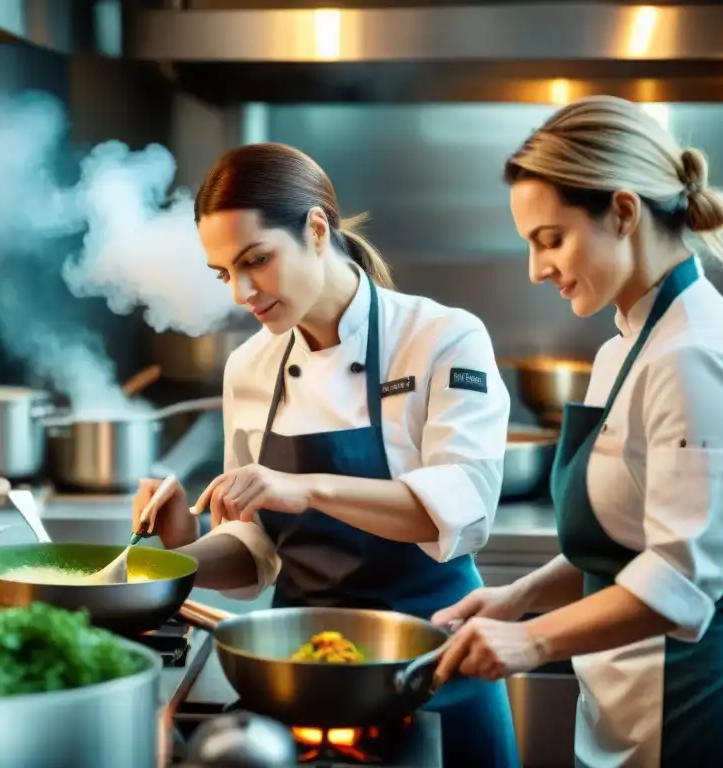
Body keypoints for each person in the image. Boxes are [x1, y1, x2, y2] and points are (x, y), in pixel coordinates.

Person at [133, 142, 520, 767]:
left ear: (317, 229)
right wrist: (178, 555)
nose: (242, 291)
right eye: (224, 272)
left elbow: (459, 510)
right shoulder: (250, 366)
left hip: (432, 663)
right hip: (299, 673)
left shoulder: (441, 338)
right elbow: (255, 552)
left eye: (256, 260)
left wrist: (305, 487)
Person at [431, 95, 723, 767]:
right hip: (621, 705)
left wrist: (532, 642)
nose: (536, 269)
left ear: (623, 212)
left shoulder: (695, 355)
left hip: (685, 712)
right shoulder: (622, 346)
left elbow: (682, 579)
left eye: (551, 239)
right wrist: (519, 599)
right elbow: (621, 541)